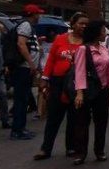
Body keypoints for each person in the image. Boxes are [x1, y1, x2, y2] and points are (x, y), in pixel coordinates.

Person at [33, 12, 88, 159]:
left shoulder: (87, 42)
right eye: (81, 23)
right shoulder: (60, 39)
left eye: (86, 24)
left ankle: (70, 147)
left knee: (74, 117)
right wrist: (44, 79)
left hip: (77, 84)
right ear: (73, 24)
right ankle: (46, 148)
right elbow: (51, 60)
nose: (84, 26)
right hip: (57, 82)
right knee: (54, 117)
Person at [72, 20, 109, 165]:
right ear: (97, 33)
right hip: (86, 90)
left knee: (101, 122)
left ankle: (100, 150)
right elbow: (79, 72)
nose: (106, 34)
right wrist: (79, 93)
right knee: (82, 123)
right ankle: (80, 153)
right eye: (104, 31)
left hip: (102, 90)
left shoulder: (104, 49)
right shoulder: (83, 50)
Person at [9, 4, 44, 141]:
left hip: (26, 68)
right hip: (23, 68)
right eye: (37, 14)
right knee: (21, 100)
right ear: (32, 14)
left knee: (24, 100)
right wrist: (30, 63)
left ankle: (21, 128)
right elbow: (21, 44)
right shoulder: (25, 25)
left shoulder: (30, 27)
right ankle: (17, 130)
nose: (39, 16)